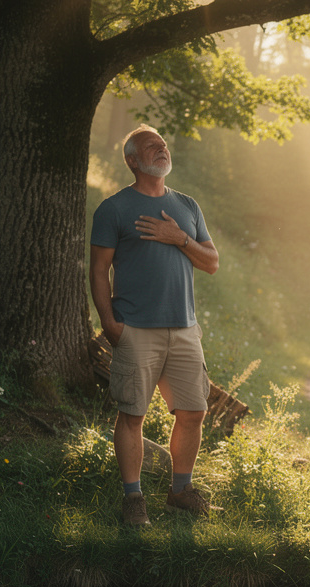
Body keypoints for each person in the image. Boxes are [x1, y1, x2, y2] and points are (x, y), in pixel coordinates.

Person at [89, 125, 220, 526]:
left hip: (184, 329)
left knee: (194, 411)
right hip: (135, 329)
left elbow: (211, 262)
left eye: (163, 144)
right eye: (151, 147)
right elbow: (98, 270)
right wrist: (109, 322)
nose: (162, 149)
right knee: (133, 415)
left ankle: (180, 491)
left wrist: (179, 238)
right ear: (132, 160)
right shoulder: (114, 209)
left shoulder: (187, 206)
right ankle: (133, 499)